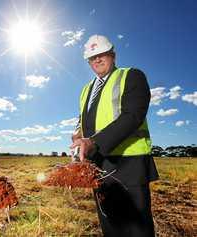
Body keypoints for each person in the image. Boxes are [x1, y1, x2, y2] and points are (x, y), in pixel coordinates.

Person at [70, 35, 159, 237]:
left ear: (113, 55)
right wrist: (77, 135)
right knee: (109, 225)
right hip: (98, 165)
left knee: (137, 230)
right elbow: (83, 118)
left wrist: (93, 142)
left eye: (102, 55)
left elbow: (133, 115)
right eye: (92, 58)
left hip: (128, 164)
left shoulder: (132, 76)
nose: (97, 60)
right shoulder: (86, 90)